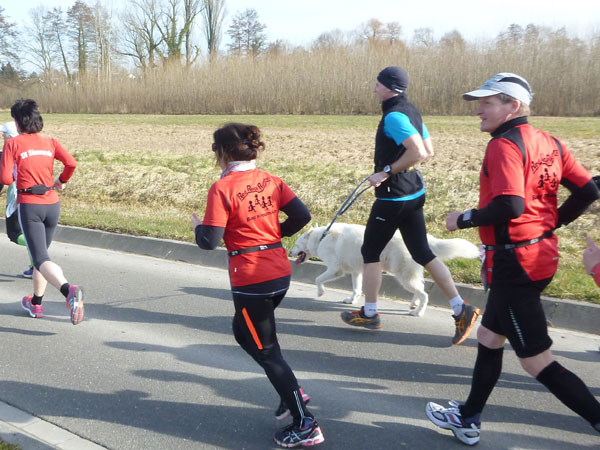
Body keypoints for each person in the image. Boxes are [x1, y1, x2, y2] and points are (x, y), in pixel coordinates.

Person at [425, 73, 600, 445]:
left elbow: (510, 205)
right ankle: (468, 418)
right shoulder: (550, 142)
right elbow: (587, 191)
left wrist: (463, 219)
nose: (478, 111)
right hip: (540, 256)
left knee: (537, 361)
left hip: (515, 264)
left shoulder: (503, 145)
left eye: (487, 103)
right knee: (489, 336)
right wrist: (551, 222)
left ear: (513, 106)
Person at [192, 123, 324, 448]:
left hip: (252, 278)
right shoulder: (270, 180)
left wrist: (198, 227)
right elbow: (302, 216)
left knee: (268, 353)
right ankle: (290, 390)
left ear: (223, 152)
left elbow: (209, 241)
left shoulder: (222, 188)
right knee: (242, 332)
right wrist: (275, 234)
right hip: (278, 272)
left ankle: (305, 422)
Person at [340, 66, 481, 345]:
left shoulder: (394, 115)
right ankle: (460, 308)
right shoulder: (411, 110)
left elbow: (418, 151)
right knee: (422, 252)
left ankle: (370, 313)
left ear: (389, 87)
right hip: (414, 193)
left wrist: (386, 171)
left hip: (393, 198)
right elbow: (428, 150)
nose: (374, 88)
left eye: (378, 84)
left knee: (370, 252)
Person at [0, 99, 84, 324]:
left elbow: (5, 178)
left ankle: (69, 291)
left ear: (18, 122)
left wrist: (19, 173)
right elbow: (71, 163)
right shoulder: (50, 142)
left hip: (30, 205)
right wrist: (61, 180)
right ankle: (36, 303)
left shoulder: (13, 144)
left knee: (41, 258)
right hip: (52, 203)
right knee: (41, 257)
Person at [1, 121, 34, 278]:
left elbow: (4, 179)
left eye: (4, 134)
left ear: (10, 136)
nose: (2, 136)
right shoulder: (29, 150)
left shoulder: (6, 154)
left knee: (15, 233)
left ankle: (39, 251)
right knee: (28, 231)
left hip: (16, 195)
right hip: (36, 194)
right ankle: (35, 265)